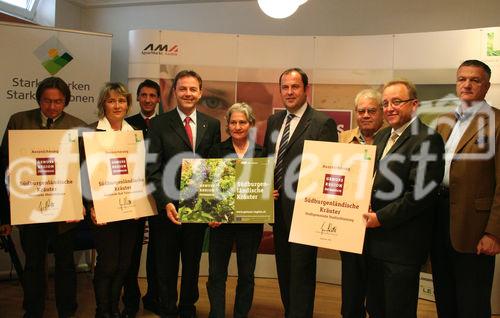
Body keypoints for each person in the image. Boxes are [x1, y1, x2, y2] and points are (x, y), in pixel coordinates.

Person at [0, 76, 86, 318]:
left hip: (64, 211)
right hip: (30, 208)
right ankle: (33, 309)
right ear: (38, 99)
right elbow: (5, 162)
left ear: (66, 102)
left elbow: (83, 170)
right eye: (47, 101)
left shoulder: (77, 126)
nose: (52, 107)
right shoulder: (19, 121)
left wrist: (79, 202)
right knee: (34, 263)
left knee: (66, 265)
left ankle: (67, 310)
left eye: (58, 102)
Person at [364, 79, 444, 318]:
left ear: (414, 104)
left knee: (398, 309)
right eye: (385, 103)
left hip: (401, 247)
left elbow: (420, 195)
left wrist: (381, 218)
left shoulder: (427, 139)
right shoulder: (381, 137)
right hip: (373, 241)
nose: (389, 108)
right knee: (376, 307)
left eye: (396, 102)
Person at [263, 67, 338, 317]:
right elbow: (269, 162)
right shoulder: (275, 121)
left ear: (306, 89)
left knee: (302, 274)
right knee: (284, 270)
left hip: (306, 214)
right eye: (285, 87)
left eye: (295, 86)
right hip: (278, 212)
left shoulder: (322, 123)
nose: (290, 91)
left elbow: (329, 170)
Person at [147, 70, 221, 318]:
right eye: (183, 89)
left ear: (200, 92)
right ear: (174, 92)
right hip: (168, 208)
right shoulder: (158, 124)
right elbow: (152, 169)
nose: (188, 93)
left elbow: (213, 167)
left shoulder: (212, 125)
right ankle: (167, 308)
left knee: (192, 261)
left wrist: (212, 205)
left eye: (193, 89)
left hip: (197, 206)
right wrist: (165, 202)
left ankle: (188, 307)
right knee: (166, 263)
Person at [431, 59, 500, 318]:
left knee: (472, 301)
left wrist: (494, 232)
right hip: (440, 217)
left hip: (475, 226)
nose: (467, 85)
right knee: (444, 295)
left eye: (475, 80)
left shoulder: (497, 122)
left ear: (487, 86)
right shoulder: (445, 120)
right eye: (462, 79)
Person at [83, 82, 139, 318]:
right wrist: (91, 205)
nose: (117, 105)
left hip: (130, 209)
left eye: (122, 100)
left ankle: (114, 308)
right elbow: (82, 173)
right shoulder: (90, 132)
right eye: (111, 100)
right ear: (102, 104)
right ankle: (102, 310)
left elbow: (140, 172)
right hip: (102, 209)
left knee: (124, 264)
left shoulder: (135, 133)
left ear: (127, 104)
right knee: (107, 263)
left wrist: (141, 203)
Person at [206, 102, 264, 318]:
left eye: (242, 122)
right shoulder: (216, 150)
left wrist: (268, 194)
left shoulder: (261, 152)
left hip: (250, 225)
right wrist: (211, 213)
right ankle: (217, 314)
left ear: (250, 124)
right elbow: (207, 186)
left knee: (247, 275)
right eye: (233, 122)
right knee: (216, 274)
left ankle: (241, 314)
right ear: (227, 126)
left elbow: (264, 187)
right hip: (221, 224)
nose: (238, 126)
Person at [338, 88, 384, 318]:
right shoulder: (343, 139)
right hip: (350, 223)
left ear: (381, 112)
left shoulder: (391, 138)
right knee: (351, 286)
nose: (366, 115)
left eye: (371, 110)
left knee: (378, 289)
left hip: (380, 223)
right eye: (361, 110)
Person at [122, 79, 161, 317]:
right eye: (143, 95)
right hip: (131, 195)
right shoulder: (126, 125)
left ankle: (153, 297)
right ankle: (130, 300)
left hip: (157, 194)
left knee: (157, 251)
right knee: (132, 250)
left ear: (158, 99)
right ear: (137, 98)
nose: (147, 99)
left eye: (152, 95)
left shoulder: (166, 124)